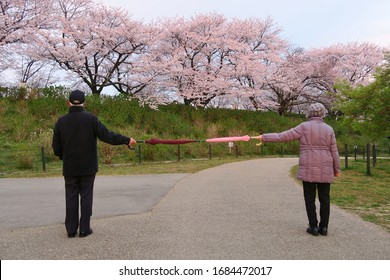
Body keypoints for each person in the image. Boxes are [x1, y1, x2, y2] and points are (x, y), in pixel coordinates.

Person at [52, 90, 136, 238]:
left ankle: (71, 230)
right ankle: (84, 229)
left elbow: (56, 147)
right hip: (88, 166)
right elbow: (107, 136)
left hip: (70, 166)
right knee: (86, 195)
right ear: (85, 103)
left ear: (68, 102)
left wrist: (64, 157)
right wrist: (126, 139)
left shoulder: (61, 121)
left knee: (71, 196)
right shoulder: (91, 119)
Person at [257, 103, 340, 236]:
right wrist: (337, 168)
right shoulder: (329, 129)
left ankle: (313, 227)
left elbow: (282, 136)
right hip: (326, 167)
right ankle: (324, 228)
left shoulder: (304, 127)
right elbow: (334, 151)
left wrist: (264, 137)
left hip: (308, 167)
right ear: (323, 113)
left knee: (309, 197)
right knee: (325, 198)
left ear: (310, 113)